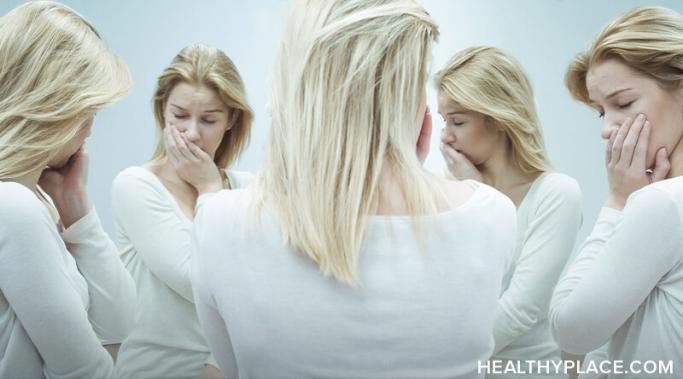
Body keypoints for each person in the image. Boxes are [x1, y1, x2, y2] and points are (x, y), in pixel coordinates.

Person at [190, 0, 517, 377]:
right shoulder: (492, 216)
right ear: (411, 101)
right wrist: (407, 171)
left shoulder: (220, 223)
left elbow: (236, 369)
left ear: (295, 85)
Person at [0, 1, 136, 377]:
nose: (90, 128)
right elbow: (85, 370)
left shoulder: (33, 200)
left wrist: (79, 209)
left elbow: (123, 321)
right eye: (87, 110)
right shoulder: (13, 207)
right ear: (54, 103)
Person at [550, 6, 683, 378]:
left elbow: (569, 331)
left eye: (623, 104)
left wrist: (618, 201)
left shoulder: (663, 204)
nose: (607, 129)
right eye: (599, 111)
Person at [435, 46, 582, 377]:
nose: (445, 137)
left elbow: (520, 311)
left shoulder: (557, 194)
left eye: (457, 121)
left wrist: (440, 363)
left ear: (499, 118)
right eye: (445, 121)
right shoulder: (453, 194)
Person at [112, 44, 254, 379]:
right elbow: (200, 283)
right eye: (179, 116)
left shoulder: (250, 189)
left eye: (208, 119)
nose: (191, 133)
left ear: (232, 119)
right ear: (162, 110)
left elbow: (268, 292)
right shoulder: (135, 185)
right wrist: (209, 190)